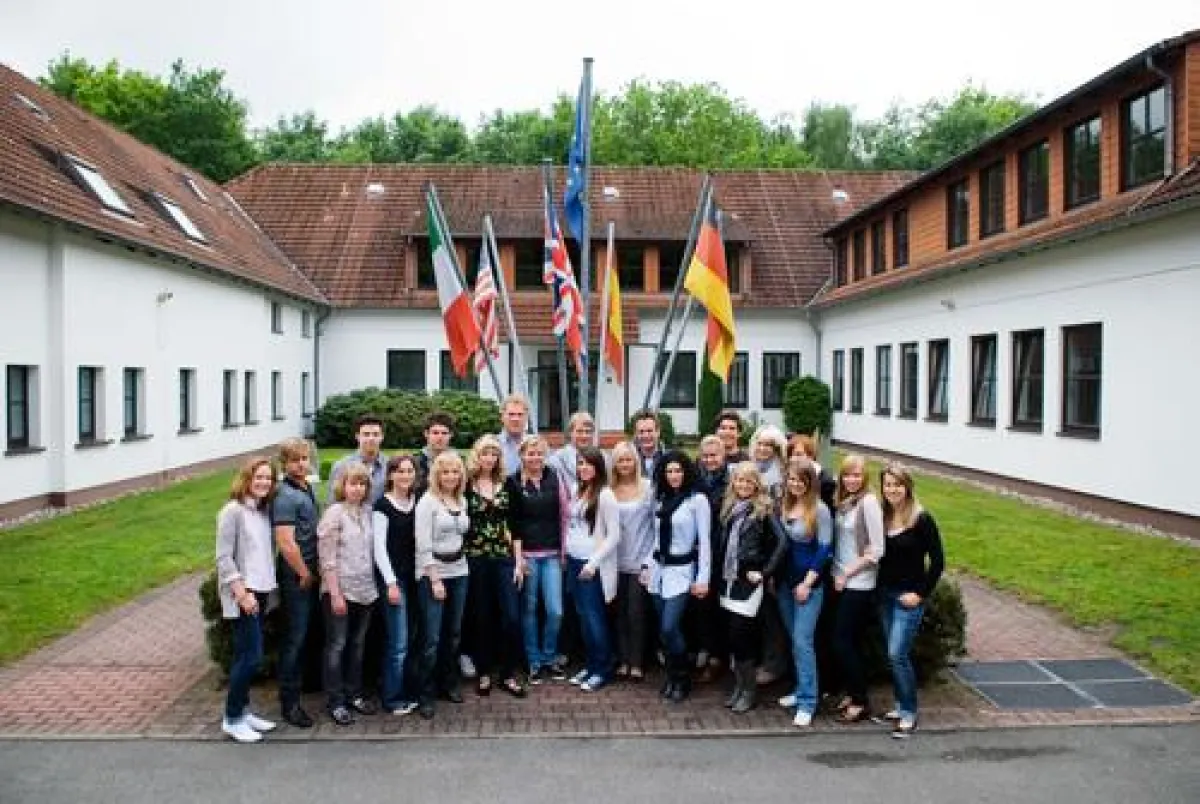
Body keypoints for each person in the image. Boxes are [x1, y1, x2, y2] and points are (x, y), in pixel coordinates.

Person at [877, 463, 944, 738]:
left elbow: (938, 562)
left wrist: (920, 594)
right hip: (885, 595)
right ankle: (899, 703)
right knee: (892, 655)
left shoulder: (921, 519)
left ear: (907, 487)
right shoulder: (883, 516)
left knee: (897, 654)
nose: (892, 489)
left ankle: (908, 711)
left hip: (908, 597)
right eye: (888, 484)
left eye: (897, 484)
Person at [215, 457, 279, 743]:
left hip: (262, 590)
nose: (264, 482)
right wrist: (241, 593)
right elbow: (223, 557)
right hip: (245, 593)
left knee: (248, 654)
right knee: (250, 657)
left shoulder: (262, 511)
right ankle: (232, 718)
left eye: (268, 478)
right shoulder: (233, 511)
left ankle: (243, 710)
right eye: (259, 477)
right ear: (246, 478)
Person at [716, 462, 786, 714]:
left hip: (748, 584)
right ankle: (740, 686)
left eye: (748, 481)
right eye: (739, 481)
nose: (743, 486)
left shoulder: (764, 510)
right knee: (732, 640)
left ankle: (750, 691)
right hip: (727, 581)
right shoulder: (730, 509)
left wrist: (765, 572)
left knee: (741, 637)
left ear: (757, 484)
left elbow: (782, 544)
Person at [645, 450, 711, 704]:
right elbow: (655, 539)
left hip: (683, 572)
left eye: (678, 471)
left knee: (670, 625)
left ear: (686, 472)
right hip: (659, 570)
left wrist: (703, 577)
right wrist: (646, 565)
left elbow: (704, 542)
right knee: (664, 632)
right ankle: (671, 676)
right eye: (669, 471)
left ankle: (683, 677)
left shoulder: (697, 500)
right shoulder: (660, 499)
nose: (674, 476)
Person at [463, 435, 527, 698]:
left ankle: (509, 674)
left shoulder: (508, 484)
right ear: (477, 456)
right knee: (482, 617)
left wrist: (519, 561)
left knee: (511, 616)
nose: (489, 458)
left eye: (494, 454)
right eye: (485, 453)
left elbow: (517, 524)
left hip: (503, 558)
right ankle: (484, 672)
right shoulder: (466, 485)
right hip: (475, 559)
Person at [317, 463, 379, 726]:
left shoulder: (367, 512)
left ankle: (354, 694)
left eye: (362, 484)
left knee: (358, 645)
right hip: (340, 590)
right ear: (342, 486)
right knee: (337, 645)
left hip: (366, 590)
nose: (357, 489)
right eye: (352, 484)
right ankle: (336, 700)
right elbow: (327, 558)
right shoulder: (334, 514)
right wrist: (335, 593)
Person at [505, 435, 569, 683]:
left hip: (552, 553)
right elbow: (511, 523)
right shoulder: (512, 482)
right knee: (529, 609)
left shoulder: (554, 476)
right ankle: (533, 660)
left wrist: (564, 551)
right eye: (530, 453)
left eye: (539, 453)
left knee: (555, 610)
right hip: (528, 556)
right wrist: (518, 559)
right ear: (521, 456)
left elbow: (564, 515)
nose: (535, 458)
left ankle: (549, 656)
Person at [775, 457, 833, 727]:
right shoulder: (785, 505)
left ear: (810, 483)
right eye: (792, 479)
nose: (795, 484)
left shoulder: (819, 510)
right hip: (785, 583)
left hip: (808, 584)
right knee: (793, 640)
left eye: (801, 480)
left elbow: (824, 550)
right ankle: (799, 690)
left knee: (803, 641)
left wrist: (808, 583)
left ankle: (809, 701)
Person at [414, 452, 472, 719]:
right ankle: (425, 693)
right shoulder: (427, 502)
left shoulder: (461, 500)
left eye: (455, 471)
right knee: (431, 638)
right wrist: (435, 579)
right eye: (445, 472)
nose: (451, 476)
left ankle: (448, 683)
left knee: (454, 633)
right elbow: (422, 545)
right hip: (433, 574)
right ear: (437, 474)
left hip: (459, 570)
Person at [830, 453, 885, 724]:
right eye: (847, 475)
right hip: (839, 577)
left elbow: (876, 550)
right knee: (846, 641)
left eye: (856, 475)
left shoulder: (869, 503)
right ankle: (852, 693)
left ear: (865, 478)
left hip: (859, 582)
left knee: (842, 641)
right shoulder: (844, 503)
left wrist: (848, 573)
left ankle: (861, 700)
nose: (851, 480)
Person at [272, 438, 320, 729]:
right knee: (295, 638)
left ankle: (304, 685)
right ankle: (289, 703)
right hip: (296, 575)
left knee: (308, 635)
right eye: (295, 460)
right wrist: (303, 573)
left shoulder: (305, 487)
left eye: (304, 459)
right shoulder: (285, 496)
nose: (301, 464)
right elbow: (286, 542)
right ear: (284, 464)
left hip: (311, 570)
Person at [564, 447, 621, 692]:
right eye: (580, 463)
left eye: (588, 464)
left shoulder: (605, 495)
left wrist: (593, 563)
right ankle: (590, 664)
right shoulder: (578, 490)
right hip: (574, 562)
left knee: (595, 619)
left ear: (598, 467)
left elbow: (615, 535)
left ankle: (603, 669)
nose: (583, 468)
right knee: (583, 619)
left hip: (591, 566)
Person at [371, 455, 422, 716]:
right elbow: (379, 548)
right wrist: (390, 583)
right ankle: (391, 698)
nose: (405, 475)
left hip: (415, 578)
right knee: (398, 642)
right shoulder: (382, 506)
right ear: (390, 475)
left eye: (409, 471)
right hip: (394, 580)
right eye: (399, 471)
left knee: (412, 638)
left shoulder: (417, 501)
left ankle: (409, 690)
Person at [610, 440, 655, 683]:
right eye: (620, 460)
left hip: (641, 560)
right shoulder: (609, 490)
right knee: (619, 613)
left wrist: (650, 560)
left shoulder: (648, 488)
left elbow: (655, 526)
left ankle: (637, 662)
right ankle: (623, 659)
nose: (625, 464)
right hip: (615, 562)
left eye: (629, 459)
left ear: (635, 462)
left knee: (637, 612)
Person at [691, 435, 730, 683]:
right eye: (705, 456)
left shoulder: (732, 482)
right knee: (702, 606)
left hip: (724, 552)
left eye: (714, 455)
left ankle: (719, 658)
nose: (709, 460)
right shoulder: (696, 480)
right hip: (700, 552)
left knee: (720, 608)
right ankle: (707, 650)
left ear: (723, 456)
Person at [327, 415, 388, 505]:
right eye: (366, 434)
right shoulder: (342, 466)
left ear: (382, 436)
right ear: (357, 436)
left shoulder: (389, 465)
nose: (371, 438)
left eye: (375, 434)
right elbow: (333, 502)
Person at [548, 411, 597, 493]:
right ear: (570, 433)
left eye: (588, 432)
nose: (584, 436)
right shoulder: (556, 460)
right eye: (579, 431)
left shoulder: (601, 458)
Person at [788, 433, 836, 512]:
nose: (793, 459)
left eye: (798, 454)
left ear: (811, 456)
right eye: (790, 455)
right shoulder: (791, 474)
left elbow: (829, 514)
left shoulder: (826, 482)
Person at [416, 411, 456, 484]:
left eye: (444, 433)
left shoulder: (461, 461)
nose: (440, 437)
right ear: (426, 434)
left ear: (451, 434)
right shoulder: (415, 462)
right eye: (435, 433)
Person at [497, 394, 531, 476]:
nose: (516, 419)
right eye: (511, 414)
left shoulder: (538, 445)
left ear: (526, 417)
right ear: (502, 417)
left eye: (520, 414)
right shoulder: (492, 445)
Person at [631, 409, 666, 480]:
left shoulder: (668, 459)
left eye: (649, 431)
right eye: (641, 431)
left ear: (658, 432)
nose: (646, 436)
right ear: (636, 434)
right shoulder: (627, 460)